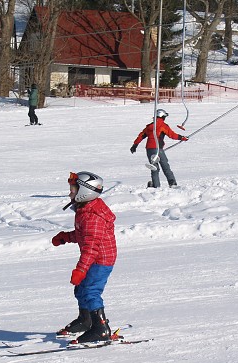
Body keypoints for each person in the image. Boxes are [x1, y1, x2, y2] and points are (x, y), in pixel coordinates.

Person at [52, 171, 117, 344]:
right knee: (81, 290)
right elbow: (85, 236)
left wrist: (81, 270)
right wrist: (66, 237)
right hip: (94, 257)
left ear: (84, 191)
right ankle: (86, 320)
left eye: (73, 189)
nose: (70, 193)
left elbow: (91, 248)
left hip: (100, 260)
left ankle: (101, 329)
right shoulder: (85, 210)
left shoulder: (92, 216)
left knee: (90, 291)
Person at [130, 108, 188, 188]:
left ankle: (156, 186)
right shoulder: (163, 126)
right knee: (165, 166)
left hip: (149, 149)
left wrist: (135, 145)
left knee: (154, 168)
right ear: (162, 116)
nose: (165, 118)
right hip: (157, 149)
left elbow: (141, 135)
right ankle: (172, 183)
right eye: (164, 116)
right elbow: (172, 135)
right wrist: (182, 138)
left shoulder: (150, 126)